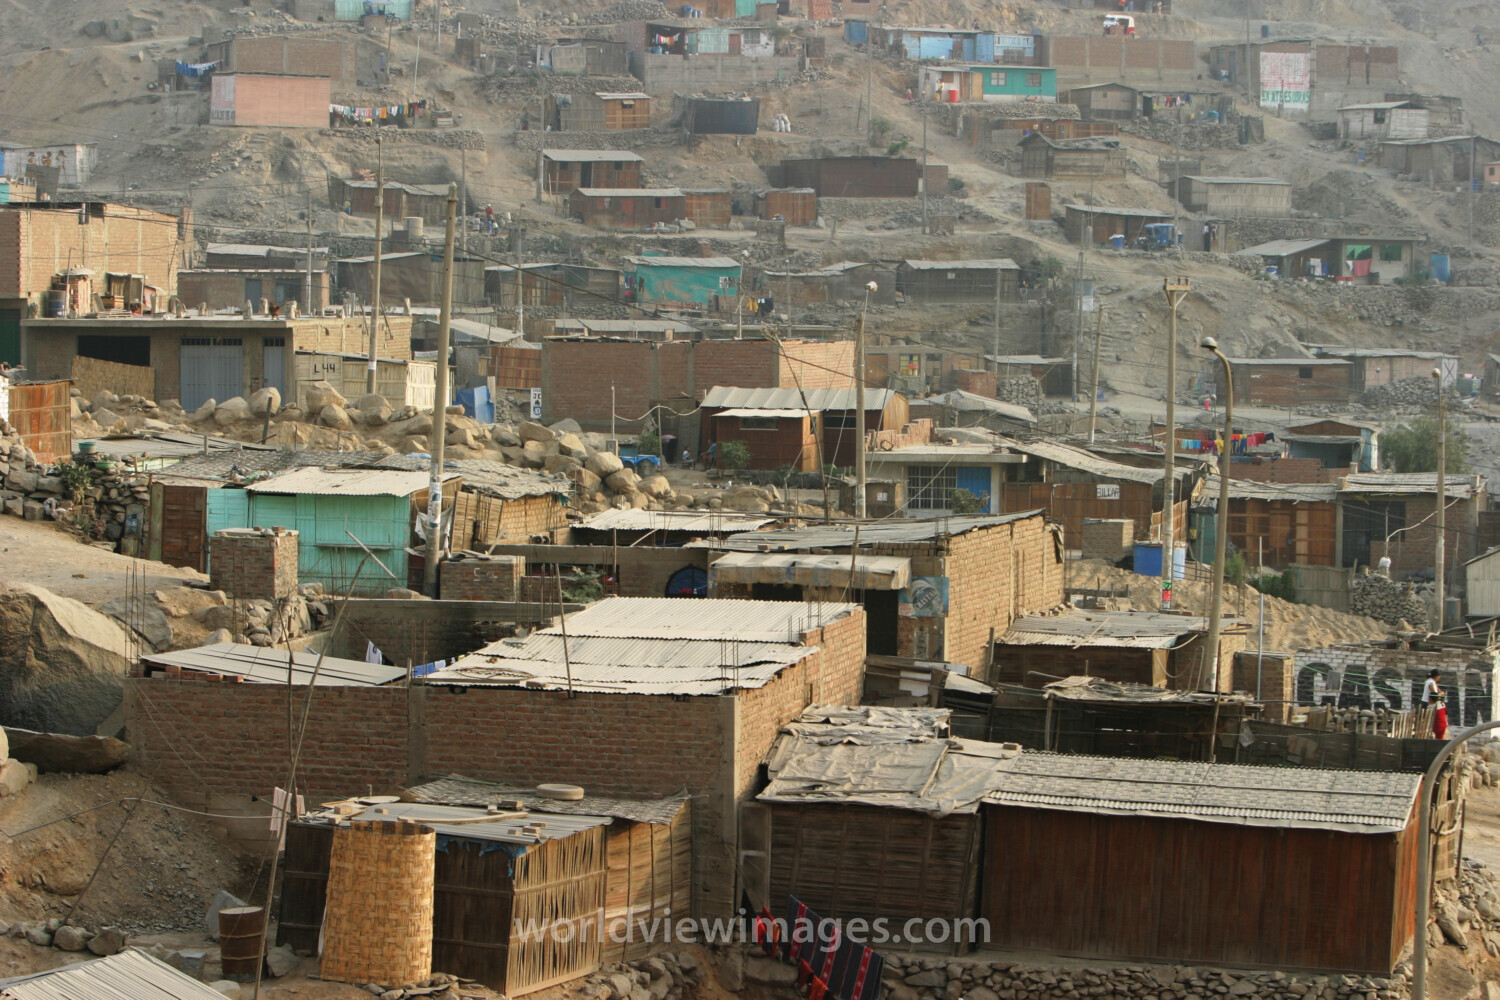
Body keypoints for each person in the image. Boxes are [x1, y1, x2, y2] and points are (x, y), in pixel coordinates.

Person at [1424, 669, 1449, 739]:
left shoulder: (1431, 707)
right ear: (1436, 676)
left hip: (1437, 726)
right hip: (1443, 725)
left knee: (1438, 739)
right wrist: (1441, 694)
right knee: (1440, 738)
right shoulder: (1442, 704)